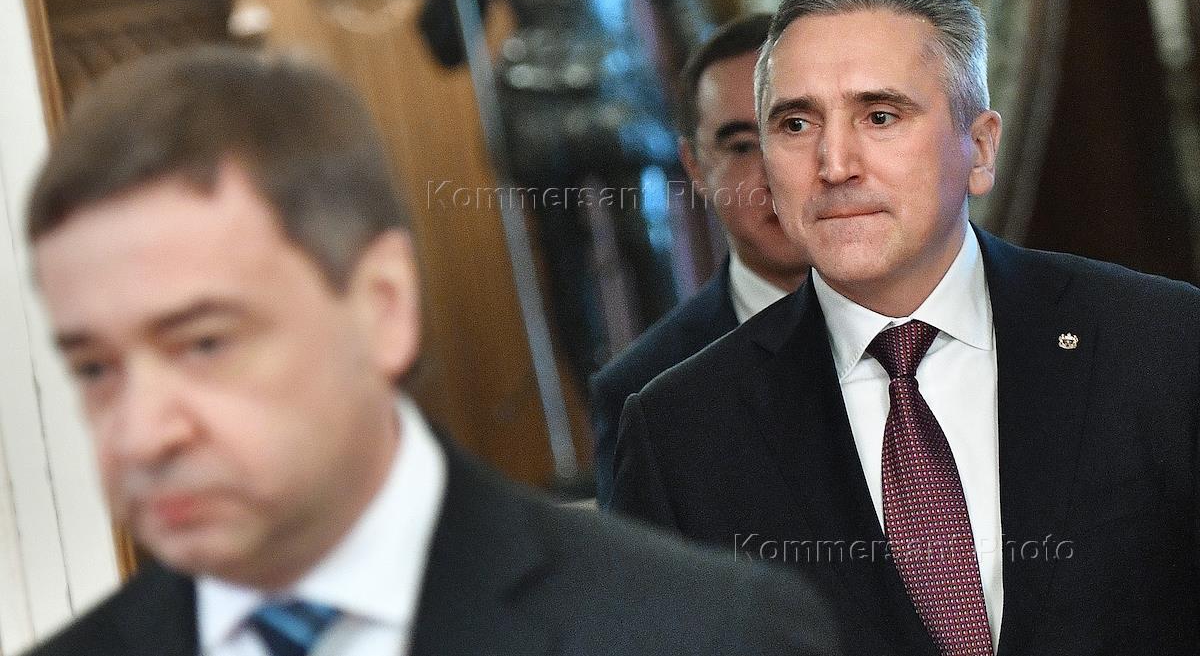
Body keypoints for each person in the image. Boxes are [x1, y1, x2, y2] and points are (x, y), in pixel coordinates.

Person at [19, 46, 844, 656]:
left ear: (383, 307)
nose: (140, 433)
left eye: (204, 342)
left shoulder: (707, 634)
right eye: (95, 367)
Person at [611, 0, 1200, 655]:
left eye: (880, 116)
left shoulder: (1161, 343)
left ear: (979, 147)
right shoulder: (679, 434)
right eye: (796, 123)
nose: (835, 163)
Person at [419, 0, 712, 386]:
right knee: (566, 265)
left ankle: (683, 393)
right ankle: (601, 408)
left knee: (649, 241)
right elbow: (447, 48)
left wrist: (708, 82)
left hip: (618, 91)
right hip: (538, 107)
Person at [590, 13, 810, 507]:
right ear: (695, 168)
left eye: (795, 128)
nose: (774, 174)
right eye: (742, 146)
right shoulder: (640, 392)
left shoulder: (944, 314)